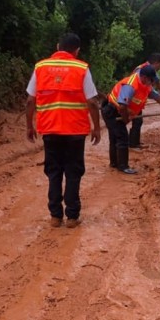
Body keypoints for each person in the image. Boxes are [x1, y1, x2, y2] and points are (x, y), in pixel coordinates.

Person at [26, 33, 101, 228]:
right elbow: (92, 102)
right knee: (73, 172)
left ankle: (55, 216)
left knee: (54, 171)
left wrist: (29, 125)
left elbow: (30, 100)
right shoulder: (81, 68)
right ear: (77, 50)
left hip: (50, 130)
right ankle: (73, 217)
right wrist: (96, 127)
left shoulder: (41, 67)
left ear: (58, 46)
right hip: (75, 131)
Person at [102, 64, 160, 174]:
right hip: (112, 111)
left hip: (119, 110)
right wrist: (126, 119)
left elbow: (157, 97)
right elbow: (122, 106)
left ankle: (114, 163)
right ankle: (123, 166)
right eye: (151, 80)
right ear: (144, 78)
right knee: (122, 138)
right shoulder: (130, 85)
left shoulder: (146, 85)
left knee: (115, 138)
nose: (152, 83)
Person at [129, 52, 160, 150]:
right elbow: (150, 90)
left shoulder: (150, 69)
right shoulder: (142, 70)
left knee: (138, 121)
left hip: (138, 100)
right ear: (156, 63)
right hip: (131, 100)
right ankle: (132, 144)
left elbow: (158, 82)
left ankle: (134, 142)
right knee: (136, 120)